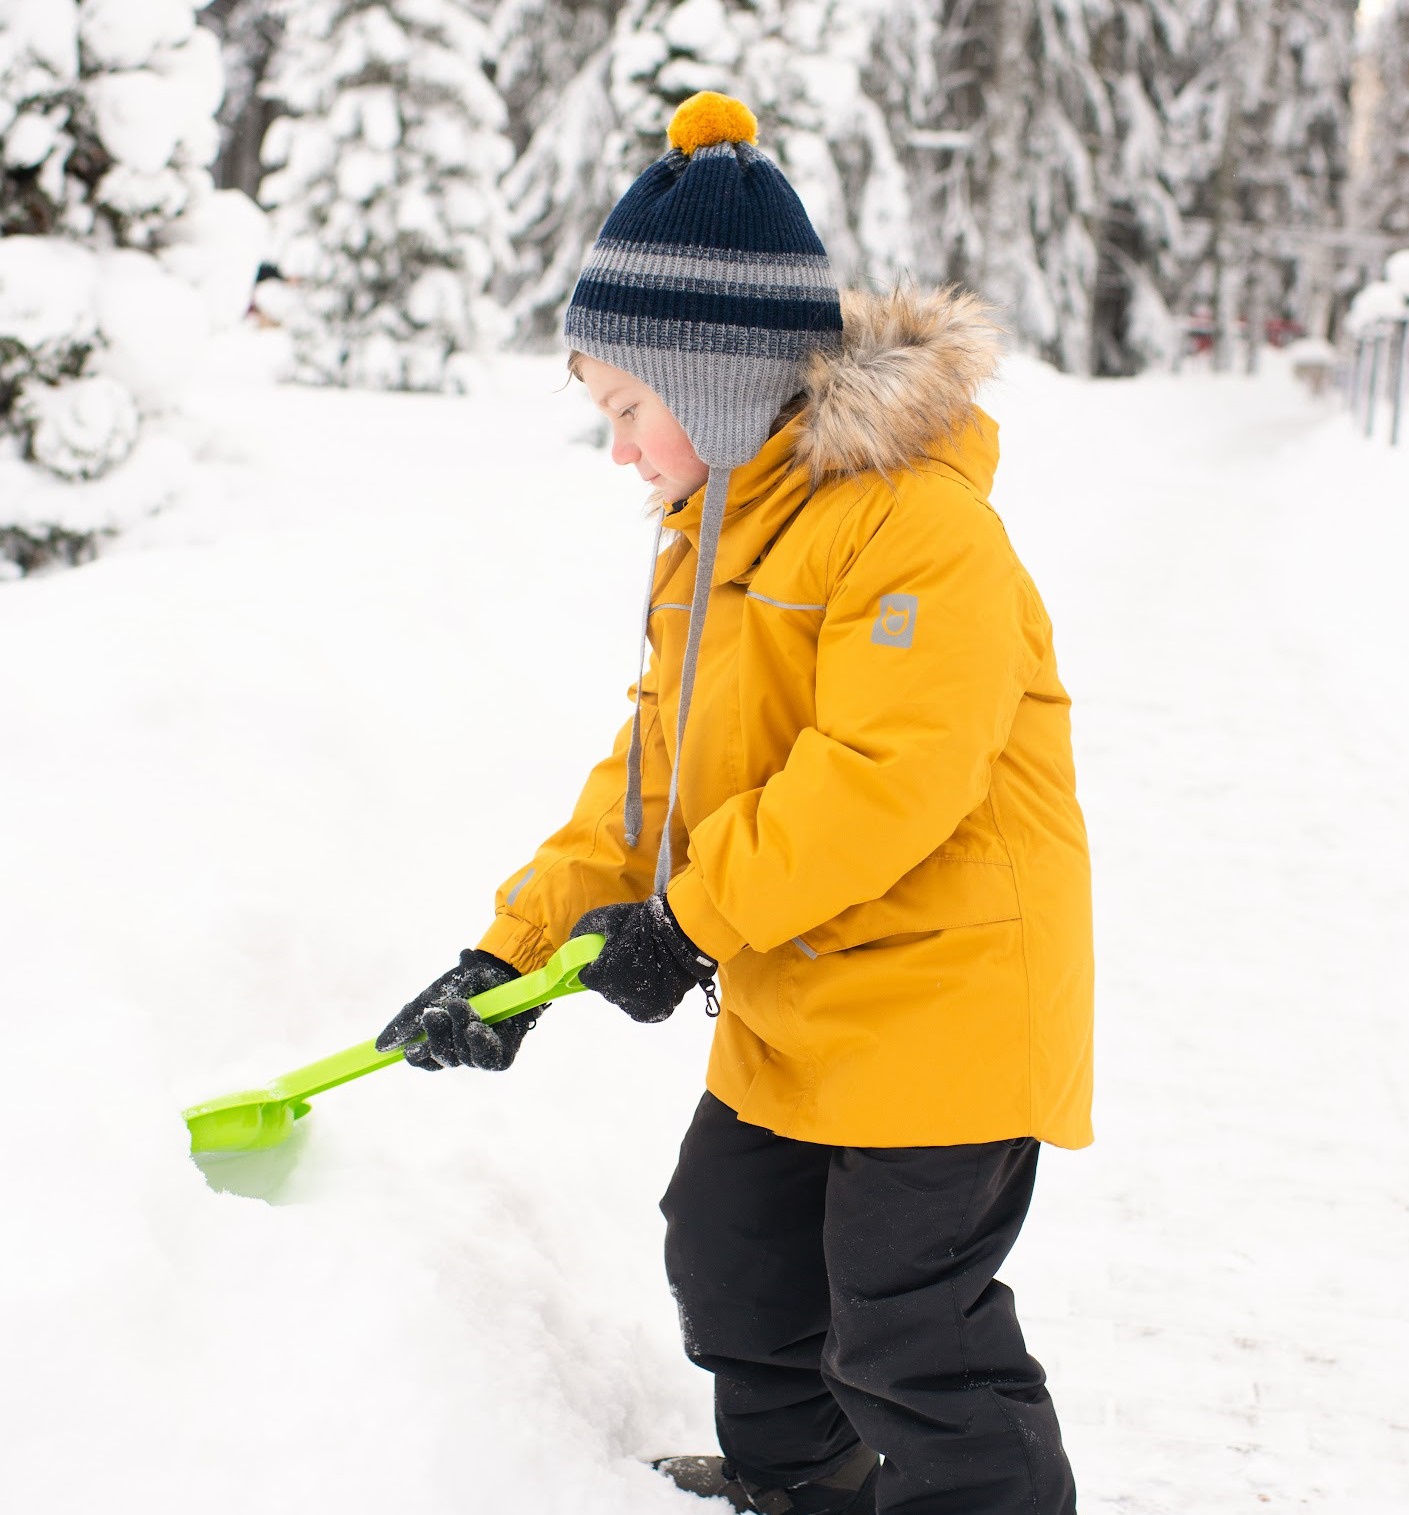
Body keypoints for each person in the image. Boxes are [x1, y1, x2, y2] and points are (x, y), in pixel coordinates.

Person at [376, 91, 1095, 1515]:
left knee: (909, 1328)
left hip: (948, 1003)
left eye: (631, 409)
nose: (625, 449)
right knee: (732, 1257)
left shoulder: (920, 528)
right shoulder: (713, 545)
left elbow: (884, 781)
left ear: (711, 381)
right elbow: (652, 780)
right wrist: (510, 956)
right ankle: (803, 1485)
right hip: (799, 986)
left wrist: (692, 920)